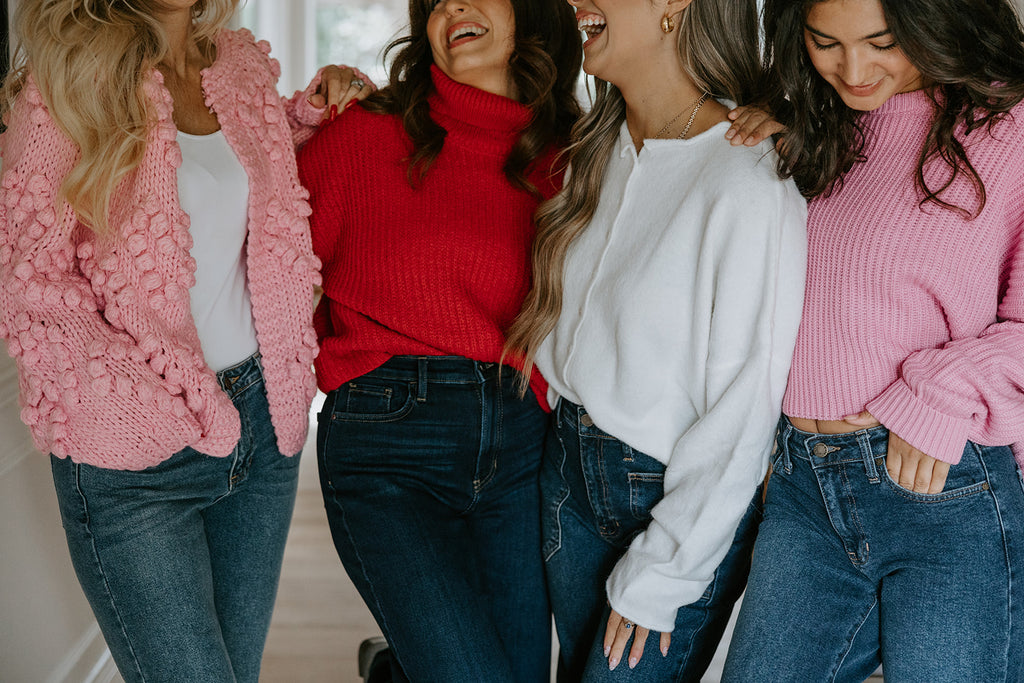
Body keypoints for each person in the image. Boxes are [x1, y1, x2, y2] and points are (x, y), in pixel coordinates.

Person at [0, 1, 368, 681]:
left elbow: (247, 178)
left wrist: (305, 115)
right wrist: (145, 409)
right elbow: (29, 277)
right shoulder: (66, 83)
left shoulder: (238, 66)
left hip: (262, 432)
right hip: (138, 459)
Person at [502, 0, 807, 679]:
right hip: (567, 474)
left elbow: (743, 410)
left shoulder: (749, 177)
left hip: (664, 503)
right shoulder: (599, 149)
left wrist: (666, 571)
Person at [720, 0, 1024, 680]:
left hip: (947, 489)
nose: (852, 68)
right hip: (804, 490)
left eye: (882, 42)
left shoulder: (1010, 130)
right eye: (826, 43)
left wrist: (941, 394)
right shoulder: (821, 137)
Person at [294, 0, 582, 681]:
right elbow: (264, 262)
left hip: (520, 442)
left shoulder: (573, 157)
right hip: (386, 441)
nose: (454, 5)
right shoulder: (364, 135)